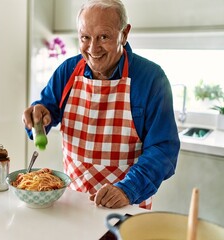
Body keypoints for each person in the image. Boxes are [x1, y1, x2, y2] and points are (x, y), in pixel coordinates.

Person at [22, 0, 180, 209]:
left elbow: (163, 149)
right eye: (85, 37)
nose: (93, 48)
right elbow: (46, 110)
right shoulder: (67, 71)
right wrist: (37, 116)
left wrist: (127, 189)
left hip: (125, 204)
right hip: (73, 202)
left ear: (124, 34)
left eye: (103, 37)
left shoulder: (151, 79)